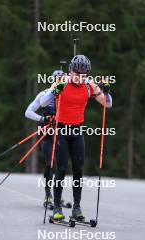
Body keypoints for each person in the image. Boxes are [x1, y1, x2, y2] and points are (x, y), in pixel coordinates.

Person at [40, 55, 112, 220]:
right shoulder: (62, 81)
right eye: (76, 73)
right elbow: (43, 103)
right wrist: (54, 93)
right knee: (62, 169)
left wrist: (107, 91)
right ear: (70, 71)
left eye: (83, 74)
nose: (80, 77)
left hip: (77, 131)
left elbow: (107, 104)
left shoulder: (89, 84)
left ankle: (77, 208)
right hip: (61, 131)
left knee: (79, 170)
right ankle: (57, 208)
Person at [25, 70, 64, 207]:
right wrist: (43, 118)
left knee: (61, 165)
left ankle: (58, 195)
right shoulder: (45, 94)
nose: (59, 82)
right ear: (53, 81)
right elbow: (28, 112)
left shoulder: (66, 95)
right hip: (46, 134)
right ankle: (48, 195)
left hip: (61, 134)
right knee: (50, 162)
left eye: (62, 80)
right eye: (57, 80)